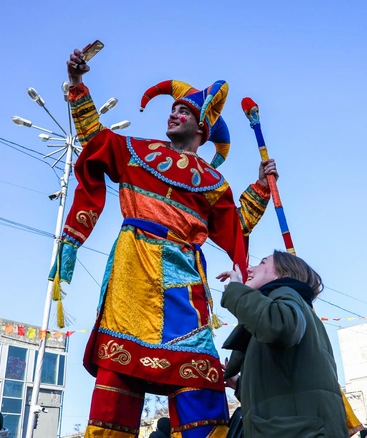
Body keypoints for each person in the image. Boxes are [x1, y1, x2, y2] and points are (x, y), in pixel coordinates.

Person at [50, 46, 278, 438]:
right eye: (172, 109)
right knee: (117, 383)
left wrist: (259, 186)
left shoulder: (212, 182)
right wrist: (76, 84)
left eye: (183, 111)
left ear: (202, 127)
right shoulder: (136, 151)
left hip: (184, 287)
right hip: (131, 282)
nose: (173, 113)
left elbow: (235, 227)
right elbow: (93, 137)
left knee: (201, 379)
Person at [217, 251, 349, 437]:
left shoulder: (286, 294)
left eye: (262, 263)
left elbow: (279, 328)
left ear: (283, 274)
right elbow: (285, 390)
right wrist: (240, 384)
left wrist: (236, 291)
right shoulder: (289, 307)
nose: (250, 269)